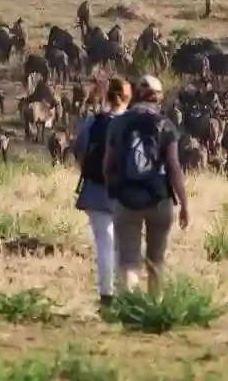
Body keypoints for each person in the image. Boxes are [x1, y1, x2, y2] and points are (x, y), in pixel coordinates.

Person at [103, 74, 190, 295]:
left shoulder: (119, 123)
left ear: (135, 94)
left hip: (126, 199)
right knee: (156, 261)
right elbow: (174, 167)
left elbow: (108, 164)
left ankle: (130, 309)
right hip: (159, 198)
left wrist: (113, 191)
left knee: (129, 261)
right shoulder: (166, 125)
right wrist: (184, 204)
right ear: (158, 98)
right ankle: (154, 310)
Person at [73, 77, 130, 306]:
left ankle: (107, 295)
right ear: (128, 98)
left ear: (107, 96)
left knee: (105, 244)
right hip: (127, 194)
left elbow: (79, 151)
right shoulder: (133, 124)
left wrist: (90, 171)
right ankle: (127, 295)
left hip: (96, 191)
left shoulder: (93, 122)